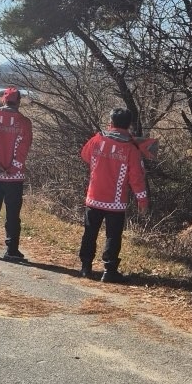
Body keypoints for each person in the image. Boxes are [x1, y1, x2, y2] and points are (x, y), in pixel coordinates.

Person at [78, 108, 149, 283]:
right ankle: (109, 271)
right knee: (113, 235)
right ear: (129, 124)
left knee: (90, 232)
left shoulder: (96, 140)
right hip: (115, 201)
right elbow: (137, 178)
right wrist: (142, 200)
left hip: (93, 196)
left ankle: (85, 267)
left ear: (111, 122)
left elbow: (85, 155)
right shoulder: (131, 149)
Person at [0, 88, 33, 262]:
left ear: (3, 100)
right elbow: (23, 149)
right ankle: (11, 250)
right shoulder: (24, 122)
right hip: (14, 178)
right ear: (18, 102)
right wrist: (13, 167)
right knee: (12, 214)